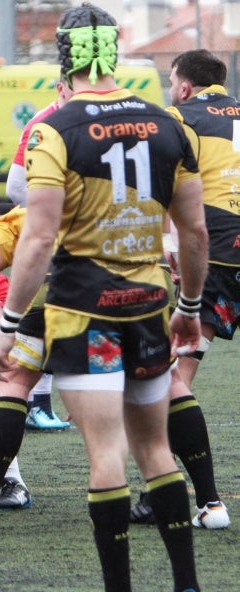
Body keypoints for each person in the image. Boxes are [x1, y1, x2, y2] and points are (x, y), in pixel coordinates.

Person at [0, 5, 207, 592]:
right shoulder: (168, 123)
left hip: (85, 313)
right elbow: (193, 233)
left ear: (64, 61)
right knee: (155, 450)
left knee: (106, 455)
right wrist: (189, 308)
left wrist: (9, 325)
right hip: (149, 305)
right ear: (114, 52)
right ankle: (187, 584)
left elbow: (38, 237)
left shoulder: (53, 128)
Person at [128, 48, 235, 530]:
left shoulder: (179, 117)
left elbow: (160, 188)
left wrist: (168, 248)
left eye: (171, 82)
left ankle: (181, 497)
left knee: (173, 381)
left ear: (185, 86)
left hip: (217, 254)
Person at [5, 75, 73, 431]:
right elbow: (16, 187)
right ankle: (35, 403)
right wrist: (59, 212)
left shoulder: (91, 116)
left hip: (80, 239)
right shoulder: (43, 123)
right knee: (44, 316)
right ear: (62, 87)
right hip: (51, 237)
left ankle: (44, 402)